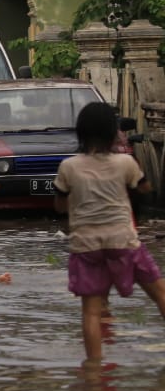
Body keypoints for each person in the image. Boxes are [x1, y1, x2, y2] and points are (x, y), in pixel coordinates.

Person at [54, 101, 165, 363]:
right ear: (112, 132)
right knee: (160, 294)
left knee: (92, 312)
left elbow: (60, 206)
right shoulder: (125, 163)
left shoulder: (69, 167)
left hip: (86, 246)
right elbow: (146, 188)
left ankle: (93, 370)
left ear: (81, 132)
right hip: (123, 241)